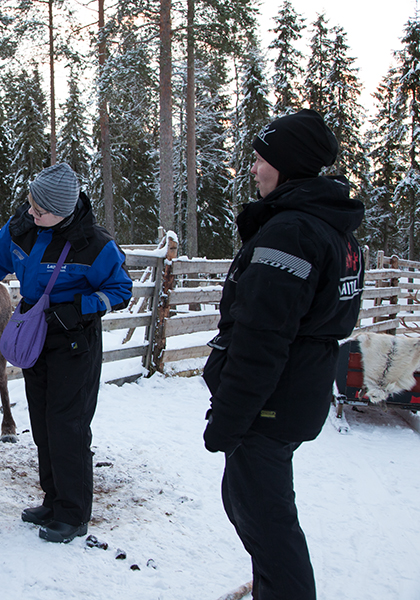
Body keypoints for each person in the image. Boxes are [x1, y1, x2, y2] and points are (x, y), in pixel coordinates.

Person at [202, 109, 365, 599]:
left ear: (287, 164)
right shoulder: (333, 228)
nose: (253, 169)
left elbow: (262, 337)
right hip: (299, 390)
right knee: (259, 507)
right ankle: (273, 585)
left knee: (265, 518)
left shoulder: (292, 232)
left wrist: (229, 417)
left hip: (272, 400)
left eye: (260, 159)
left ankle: (283, 588)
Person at [0, 163, 132, 543]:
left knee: (67, 426)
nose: (32, 213)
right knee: (43, 423)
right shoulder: (21, 230)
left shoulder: (95, 244)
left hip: (75, 340)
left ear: (64, 210)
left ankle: (73, 513)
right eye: (31, 205)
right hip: (36, 335)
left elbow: (120, 289)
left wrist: (82, 308)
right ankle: (53, 499)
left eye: (40, 210)